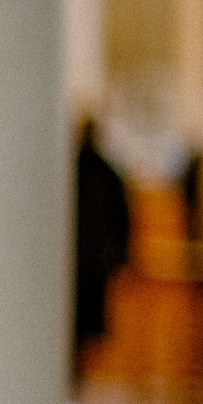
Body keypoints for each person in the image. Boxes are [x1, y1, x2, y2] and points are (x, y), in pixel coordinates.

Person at [72, 114, 132, 381]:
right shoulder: (108, 172)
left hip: (75, 264)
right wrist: (120, 259)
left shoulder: (71, 169)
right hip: (94, 264)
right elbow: (124, 222)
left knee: (73, 327)